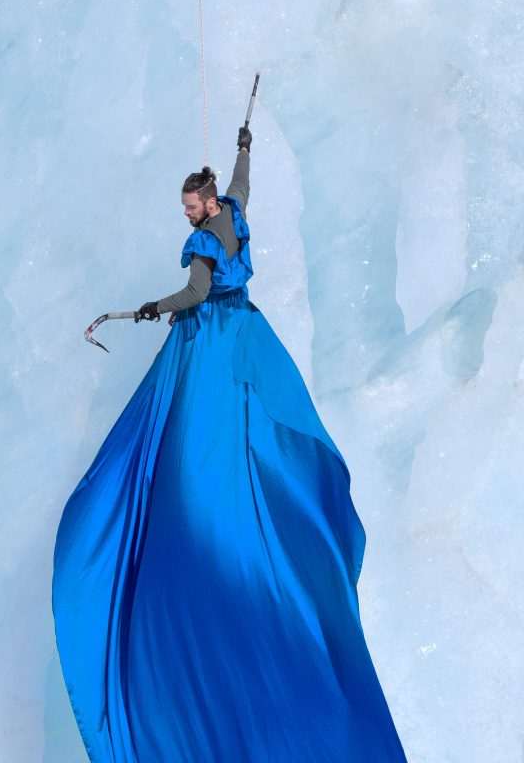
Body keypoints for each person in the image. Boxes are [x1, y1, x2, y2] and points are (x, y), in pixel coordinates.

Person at [52, 127, 408, 762]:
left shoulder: (201, 242)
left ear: (203, 203)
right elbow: (244, 182)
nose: (185, 212)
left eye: (189, 204)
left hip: (211, 338)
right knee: (251, 425)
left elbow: (193, 293)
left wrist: (145, 310)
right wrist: (244, 145)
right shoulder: (234, 208)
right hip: (246, 325)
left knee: (195, 441)